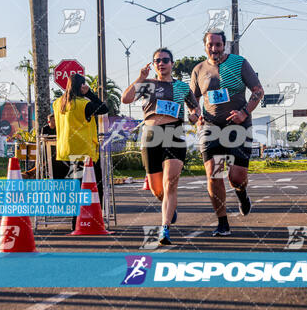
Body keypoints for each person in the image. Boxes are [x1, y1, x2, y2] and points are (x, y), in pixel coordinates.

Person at [121, 48, 200, 245]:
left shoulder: (181, 87)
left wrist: (194, 117)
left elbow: (195, 109)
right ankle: (169, 207)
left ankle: (165, 229)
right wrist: (140, 78)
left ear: (172, 63)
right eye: (157, 60)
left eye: (165, 60)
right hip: (151, 135)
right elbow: (126, 99)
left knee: (170, 183)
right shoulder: (147, 85)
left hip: (173, 133)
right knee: (158, 190)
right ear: (153, 64)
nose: (161, 63)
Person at [190, 30, 264, 236]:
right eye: (210, 44)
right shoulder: (198, 70)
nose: (214, 49)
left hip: (237, 127)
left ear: (225, 46)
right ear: (205, 45)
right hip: (211, 128)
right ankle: (222, 222)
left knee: (236, 178)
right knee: (214, 175)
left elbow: (258, 90)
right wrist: (196, 115)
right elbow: (192, 101)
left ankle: (241, 194)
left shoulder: (239, 63)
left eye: (218, 45)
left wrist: (244, 112)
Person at [54, 73, 108, 229]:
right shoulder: (84, 104)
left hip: (65, 151)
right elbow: (104, 108)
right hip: (84, 152)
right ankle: (93, 220)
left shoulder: (58, 103)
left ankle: (75, 222)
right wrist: (90, 93)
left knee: (75, 188)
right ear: (81, 86)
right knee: (94, 187)